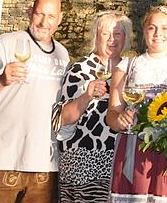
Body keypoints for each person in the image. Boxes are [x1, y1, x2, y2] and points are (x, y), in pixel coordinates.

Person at [0, 0, 69, 203]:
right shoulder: (6, 43)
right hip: (2, 161)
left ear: (59, 20)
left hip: (45, 165)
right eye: (39, 14)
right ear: (29, 12)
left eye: (51, 16)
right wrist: (1, 80)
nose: (43, 22)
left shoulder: (63, 55)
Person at [106, 5, 167, 202]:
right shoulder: (126, 66)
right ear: (144, 31)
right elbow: (112, 117)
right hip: (136, 154)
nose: (158, 33)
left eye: (165, 28)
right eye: (152, 27)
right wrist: (121, 119)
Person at [57, 11, 133, 202]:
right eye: (105, 33)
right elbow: (63, 119)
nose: (111, 39)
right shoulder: (80, 70)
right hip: (83, 162)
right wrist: (86, 96)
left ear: (126, 37)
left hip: (120, 159)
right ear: (96, 36)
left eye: (117, 33)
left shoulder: (132, 69)